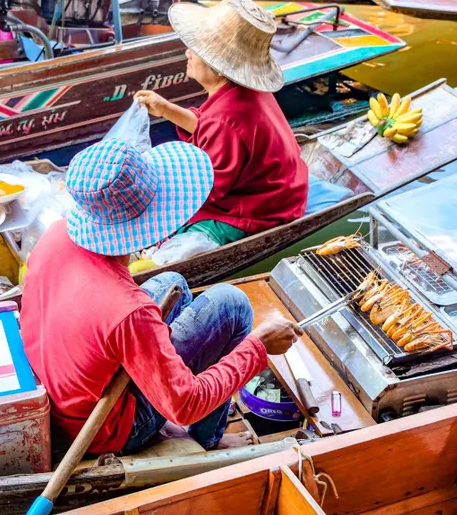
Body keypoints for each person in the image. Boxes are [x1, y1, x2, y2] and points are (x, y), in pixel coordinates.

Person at [20, 137, 301, 454]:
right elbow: (186, 405)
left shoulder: (56, 234)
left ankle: (175, 391)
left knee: (172, 281)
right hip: (104, 428)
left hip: (67, 393)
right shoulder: (129, 311)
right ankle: (208, 438)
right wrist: (258, 348)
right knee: (231, 304)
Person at [134, 0, 309, 247]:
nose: (187, 54)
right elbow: (210, 125)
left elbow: (208, 189)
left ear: (217, 65)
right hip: (286, 188)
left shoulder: (226, 119)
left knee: (170, 232)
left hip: (260, 209)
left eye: (195, 50)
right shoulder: (242, 93)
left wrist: (152, 191)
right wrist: (166, 109)